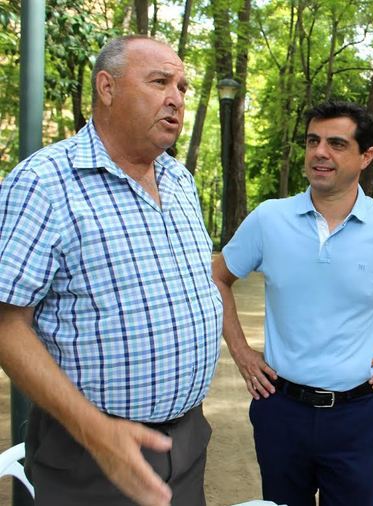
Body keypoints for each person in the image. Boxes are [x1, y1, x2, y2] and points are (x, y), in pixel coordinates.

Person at [0, 36, 222, 506]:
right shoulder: (44, 182)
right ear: (107, 87)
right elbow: (6, 322)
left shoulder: (180, 181)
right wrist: (96, 432)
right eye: (160, 81)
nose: (176, 98)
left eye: (182, 87)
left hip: (186, 442)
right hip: (89, 454)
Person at [212, 100, 373, 506]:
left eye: (337, 144)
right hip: (280, 410)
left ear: (366, 156)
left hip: (356, 415)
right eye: (313, 141)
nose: (320, 152)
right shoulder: (269, 219)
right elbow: (218, 277)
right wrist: (241, 353)